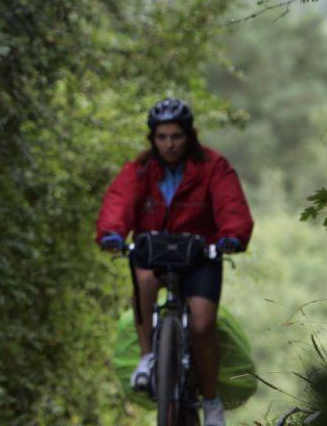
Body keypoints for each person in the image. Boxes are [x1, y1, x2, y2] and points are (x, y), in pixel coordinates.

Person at [96, 98, 253, 426]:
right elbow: (118, 202)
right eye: (162, 137)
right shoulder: (140, 170)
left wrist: (232, 235)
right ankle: (147, 357)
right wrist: (112, 234)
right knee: (144, 280)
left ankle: (211, 402)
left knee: (202, 325)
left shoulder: (213, 166)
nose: (169, 144)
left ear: (189, 136)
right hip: (154, 251)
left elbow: (230, 203)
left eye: (176, 136)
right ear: (152, 138)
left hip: (200, 254)